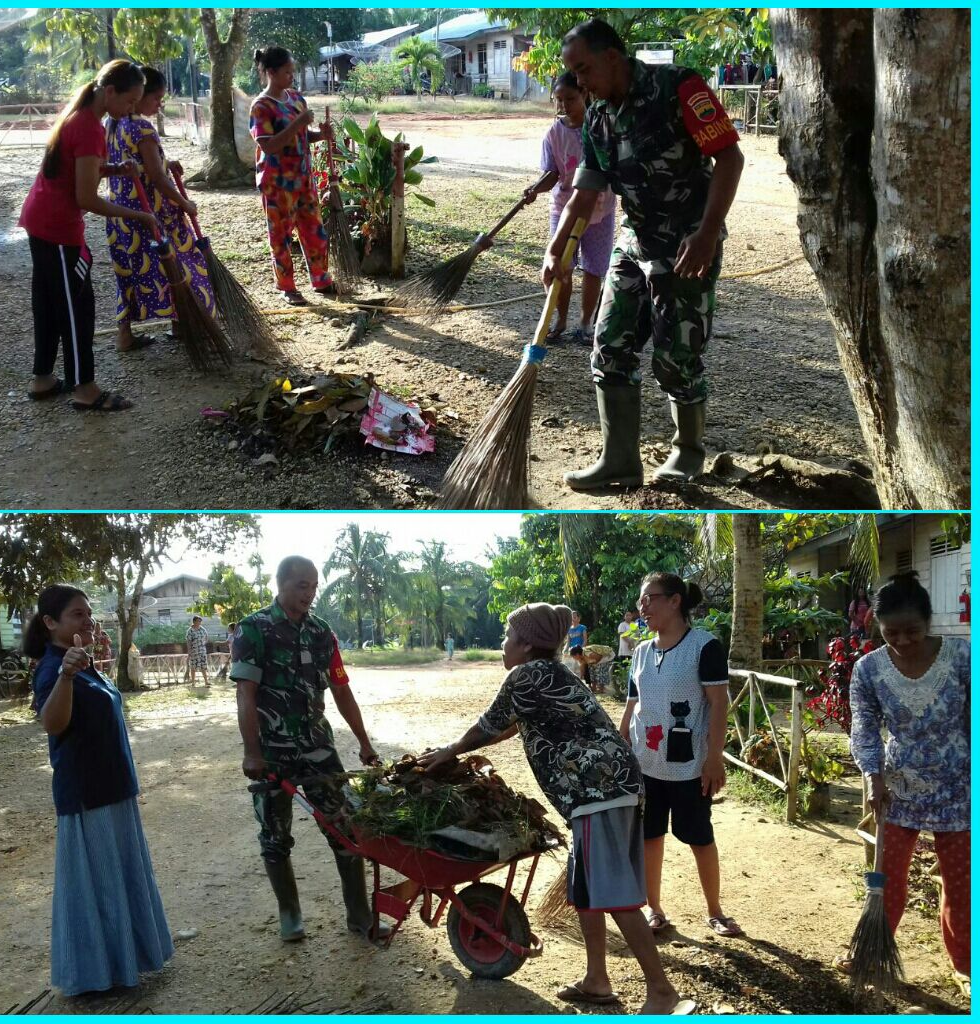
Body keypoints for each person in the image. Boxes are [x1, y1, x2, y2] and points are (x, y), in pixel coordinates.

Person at [420, 603, 693, 1013]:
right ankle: (596, 980)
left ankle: (661, 992)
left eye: (508, 637)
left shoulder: (526, 675)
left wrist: (450, 751)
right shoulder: (554, 672)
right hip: (611, 787)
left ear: (527, 644)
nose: (503, 644)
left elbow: (490, 725)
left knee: (614, 894)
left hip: (595, 792)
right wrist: (457, 752)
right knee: (584, 891)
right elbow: (509, 726)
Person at [545, 20, 744, 490]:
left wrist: (708, 232)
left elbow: (730, 159)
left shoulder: (679, 87)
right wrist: (555, 250)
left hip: (686, 246)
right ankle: (619, 461)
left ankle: (688, 453)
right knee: (609, 345)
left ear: (612, 57)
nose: (579, 82)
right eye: (573, 73)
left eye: (584, 69)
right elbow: (584, 193)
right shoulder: (596, 116)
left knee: (676, 357)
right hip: (633, 246)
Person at [230, 556, 390, 942]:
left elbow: (341, 689)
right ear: (281, 583)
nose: (309, 593)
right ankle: (290, 916)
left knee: (345, 828)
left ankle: (359, 915)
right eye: (302, 585)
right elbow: (245, 693)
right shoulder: (253, 630)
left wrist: (365, 743)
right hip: (272, 753)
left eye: (314, 586)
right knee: (275, 834)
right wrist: (252, 751)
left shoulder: (322, 632)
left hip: (318, 748)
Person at [26, 585, 173, 996]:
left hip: (114, 790)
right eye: (77, 614)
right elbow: (52, 724)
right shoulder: (54, 666)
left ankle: (131, 960)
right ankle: (95, 975)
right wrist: (67, 674)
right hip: (88, 795)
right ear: (50, 623)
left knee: (121, 879)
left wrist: (79, 668)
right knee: (98, 886)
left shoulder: (86, 661)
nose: (88, 621)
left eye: (89, 613)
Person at [840, 572, 970, 997]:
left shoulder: (964, 657)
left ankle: (967, 962)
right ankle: (873, 953)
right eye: (890, 633)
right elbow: (864, 726)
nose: (902, 641)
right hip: (898, 789)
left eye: (911, 631)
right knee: (886, 879)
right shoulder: (869, 668)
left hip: (960, 789)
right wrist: (873, 777)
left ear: (929, 622)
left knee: (962, 882)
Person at [18, 59, 157, 412]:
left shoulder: (79, 117)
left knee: (49, 303)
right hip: (58, 229)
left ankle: (43, 378)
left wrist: (113, 169)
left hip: (42, 221)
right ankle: (85, 388)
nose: (130, 110)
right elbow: (86, 198)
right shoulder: (89, 127)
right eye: (129, 101)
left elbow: (79, 172)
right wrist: (138, 214)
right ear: (109, 92)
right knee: (77, 307)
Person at [620, 573, 743, 939]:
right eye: (641, 600)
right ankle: (654, 909)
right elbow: (633, 698)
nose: (643, 607)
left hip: (690, 767)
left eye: (649, 599)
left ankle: (715, 911)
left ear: (675, 601)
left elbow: (718, 703)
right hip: (646, 764)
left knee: (699, 837)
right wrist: (622, 732)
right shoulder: (642, 651)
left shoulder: (704, 647)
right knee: (649, 837)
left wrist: (714, 758)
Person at [105, 66, 213, 352]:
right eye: (156, 98)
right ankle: (184, 324)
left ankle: (125, 335)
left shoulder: (112, 124)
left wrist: (167, 163)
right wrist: (184, 202)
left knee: (128, 271)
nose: (159, 104)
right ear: (138, 96)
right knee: (183, 265)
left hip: (120, 214)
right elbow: (156, 178)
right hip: (150, 214)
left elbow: (141, 165)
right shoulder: (141, 127)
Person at [522, 71, 616, 344]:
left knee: (594, 268)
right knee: (561, 267)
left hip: (600, 209)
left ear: (585, 94)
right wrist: (535, 189)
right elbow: (552, 173)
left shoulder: (600, 127)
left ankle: (586, 323)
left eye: (570, 98)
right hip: (564, 208)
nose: (564, 105)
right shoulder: (554, 133)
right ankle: (560, 320)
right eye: (559, 99)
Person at [249, 47, 336, 306]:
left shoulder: (297, 99)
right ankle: (287, 286)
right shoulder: (261, 107)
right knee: (281, 235)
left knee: (314, 230)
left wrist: (321, 135)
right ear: (271, 72)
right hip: (277, 184)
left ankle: (321, 278)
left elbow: (301, 138)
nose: (292, 76)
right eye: (287, 72)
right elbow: (268, 145)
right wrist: (298, 124)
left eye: (293, 72)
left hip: (303, 179)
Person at [185, 615, 210, 687]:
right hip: (194, 651)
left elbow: (206, 636)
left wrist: (204, 642)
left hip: (202, 651)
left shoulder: (202, 629)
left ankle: (206, 681)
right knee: (193, 667)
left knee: (203, 666)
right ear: (194, 621)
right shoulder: (190, 630)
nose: (200, 622)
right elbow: (188, 641)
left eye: (200, 621)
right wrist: (189, 651)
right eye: (198, 621)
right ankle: (193, 682)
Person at [567, 609, 589, 681]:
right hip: (572, 651)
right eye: (571, 617)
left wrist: (581, 649)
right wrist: (566, 650)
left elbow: (585, 640)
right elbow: (568, 642)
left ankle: (582, 680)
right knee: (572, 667)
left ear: (579, 619)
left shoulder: (582, 627)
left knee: (582, 666)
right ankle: (574, 680)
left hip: (581, 650)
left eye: (575, 617)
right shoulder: (569, 629)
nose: (573, 619)